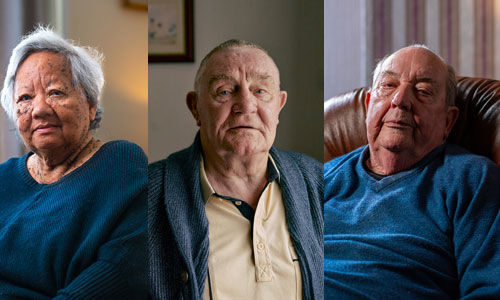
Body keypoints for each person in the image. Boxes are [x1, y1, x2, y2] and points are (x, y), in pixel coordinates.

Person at [149, 40, 323, 300]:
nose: (246, 104)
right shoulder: (147, 194)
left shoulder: (319, 181)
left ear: (279, 106)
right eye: (224, 91)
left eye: (261, 91)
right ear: (195, 107)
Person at [324, 45, 500, 298]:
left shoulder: (471, 179)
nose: (401, 100)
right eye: (388, 86)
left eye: (423, 91)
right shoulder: (325, 178)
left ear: (448, 121)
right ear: (368, 104)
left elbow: (490, 289)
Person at [0, 27, 147, 299]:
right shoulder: (3, 178)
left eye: (55, 92)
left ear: (91, 105)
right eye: (25, 98)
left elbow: (124, 269)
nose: (40, 109)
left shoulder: (120, 164)